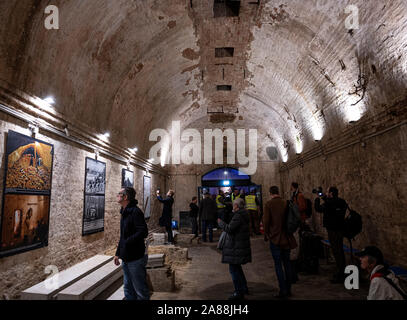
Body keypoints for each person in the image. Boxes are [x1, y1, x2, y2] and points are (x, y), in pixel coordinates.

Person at [114, 187, 150, 300]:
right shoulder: (124, 212)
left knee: (140, 290)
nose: (117, 195)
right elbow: (123, 236)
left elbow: (143, 231)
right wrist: (117, 253)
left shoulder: (135, 212)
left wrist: (128, 242)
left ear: (125, 197)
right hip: (126, 257)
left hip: (135, 258)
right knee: (128, 289)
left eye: (119, 193)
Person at [263, 186, 297, 299]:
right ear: (278, 192)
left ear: (270, 193)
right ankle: (289, 289)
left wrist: (267, 234)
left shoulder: (269, 204)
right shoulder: (286, 202)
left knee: (278, 265)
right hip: (287, 238)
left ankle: (282, 290)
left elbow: (266, 221)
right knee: (287, 263)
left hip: (275, 239)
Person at [218, 198, 251, 300]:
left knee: (233, 269)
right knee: (237, 267)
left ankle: (238, 292)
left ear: (236, 206)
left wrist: (220, 223)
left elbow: (229, 229)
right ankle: (244, 288)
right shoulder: (244, 214)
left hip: (236, 246)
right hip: (239, 245)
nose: (233, 206)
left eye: (234, 205)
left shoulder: (238, 216)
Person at [314, 186, 348, 283]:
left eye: (328, 191)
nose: (326, 193)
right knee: (340, 250)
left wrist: (317, 198)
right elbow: (333, 204)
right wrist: (325, 197)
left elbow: (319, 209)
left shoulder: (329, 203)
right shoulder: (342, 201)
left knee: (336, 251)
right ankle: (342, 271)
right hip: (340, 229)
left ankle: (341, 273)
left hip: (332, 230)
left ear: (331, 193)